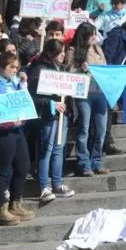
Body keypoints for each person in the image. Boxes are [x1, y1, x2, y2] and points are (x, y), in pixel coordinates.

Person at [0, 52, 36, 226]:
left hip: (16, 130)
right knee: (2, 170)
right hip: (0, 133)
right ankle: (0, 209)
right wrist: (2, 121)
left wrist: (24, 84)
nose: (15, 70)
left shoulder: (14, 83)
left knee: (23, 165)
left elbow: (24, 100)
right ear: (1, 67)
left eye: (16, 67)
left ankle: (15, 202)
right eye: (11, 67)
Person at [27, 40, 76, 204]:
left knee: (58, 149)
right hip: (48, 116)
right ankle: (43, 186)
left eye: (63, 52)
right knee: (46, 150)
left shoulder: (61, 68)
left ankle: (57, 182)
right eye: (60, 52)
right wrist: (51, 104)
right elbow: (32, 96)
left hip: (62, 115)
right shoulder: (39, 70)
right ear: (50, 54)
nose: (63, 55)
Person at [69, 22, 109, 177]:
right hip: (83, 94)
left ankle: (96, 161)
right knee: (84, 129)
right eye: (92, 34)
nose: (94, 37)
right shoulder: (73, 50)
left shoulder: (98, 48)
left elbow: (104, 67)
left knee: (101, 130)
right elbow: (69, 72)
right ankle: (84, 163)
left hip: (100, 92)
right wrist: (80, 69)